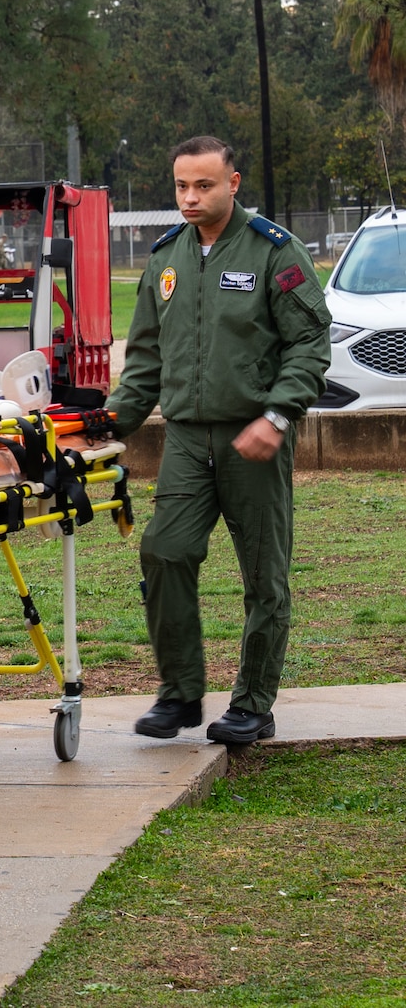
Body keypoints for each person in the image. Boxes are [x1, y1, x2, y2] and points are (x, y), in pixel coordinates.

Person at [108, 135, 330, 746]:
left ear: (232, 183)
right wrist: (108, 425)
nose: (190, 197)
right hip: (185, 439)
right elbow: (147, 358)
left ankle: (253, 704)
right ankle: (180, 694)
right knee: (165, 551)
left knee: (264, 576)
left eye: (204, 185)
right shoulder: (166, 257)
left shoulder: (272, 252)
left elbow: (309, 345)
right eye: (181, 185)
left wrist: (278, 416)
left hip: (253, 439)